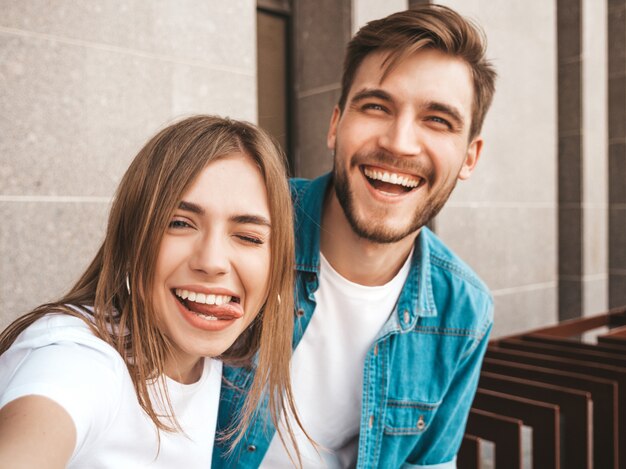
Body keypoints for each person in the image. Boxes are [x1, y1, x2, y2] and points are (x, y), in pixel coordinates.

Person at [213, 4, 497, 468]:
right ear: (335, 125)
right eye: (377, 107)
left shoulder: (464, 310)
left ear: (469, 157)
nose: (399, 142)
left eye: (437, 120)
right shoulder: (243, 222)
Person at [0, 115, 304, 468]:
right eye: (179, 223)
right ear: (132, 239)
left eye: (249, 237)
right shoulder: (82, 359)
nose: (212, 261)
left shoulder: (213, 363)